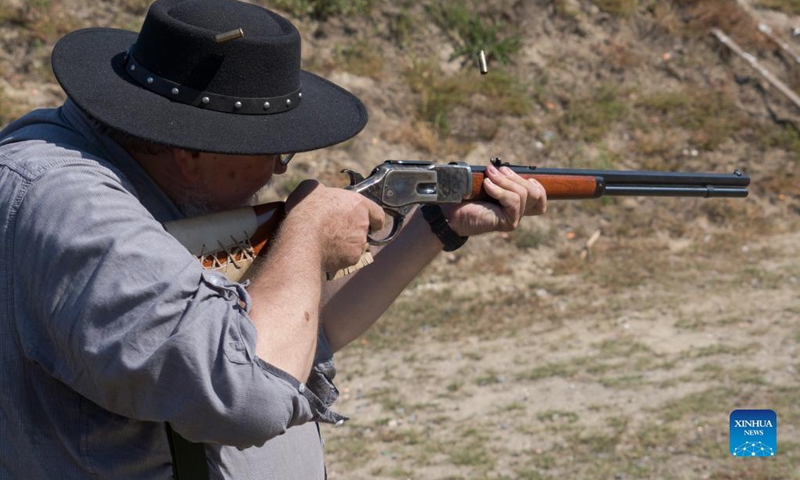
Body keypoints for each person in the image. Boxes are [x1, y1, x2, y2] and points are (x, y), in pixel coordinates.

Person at [0, 0, 546, 478]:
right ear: (191, 152)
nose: (275, 174)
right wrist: (305, 238)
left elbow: (304, 334)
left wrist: (437, 225)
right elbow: (250, 393)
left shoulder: (137, 189)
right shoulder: (75, 207)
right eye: (272, 153)